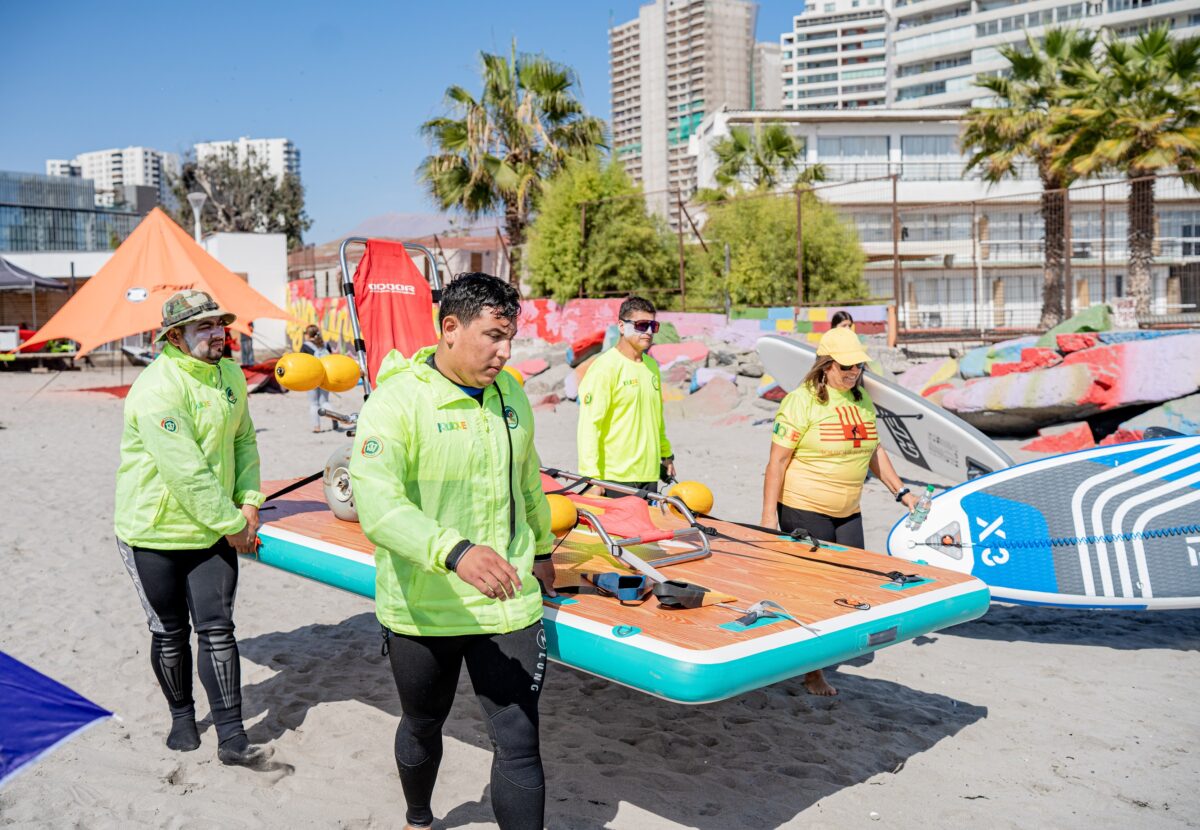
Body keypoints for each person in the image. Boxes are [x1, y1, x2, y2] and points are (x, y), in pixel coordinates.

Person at [349, 273, 555, 830]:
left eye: (510, 337)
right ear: (450, 328)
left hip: (506, 600)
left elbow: (527, 478)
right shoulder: (396, 401)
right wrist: (454, 552)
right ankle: (419, 817)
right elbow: (378, 504)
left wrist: (540, 546)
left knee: (517, 738)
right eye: (492, 336)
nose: (504, 351)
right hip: (425, 603)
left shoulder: (510, 392)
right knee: (423, 723)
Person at [114, 290, 272, 767]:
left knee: (218, 630)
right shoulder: (156, 388)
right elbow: (185, 473)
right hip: (153, 533)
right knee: (169, 633)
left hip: (211, 533)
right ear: (175, 336)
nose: (216, 333)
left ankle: (231, 735)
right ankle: (182, 717)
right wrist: (233, 524)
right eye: (203, 327)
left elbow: (243, 440)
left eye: (219, 324)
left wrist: (249, 502)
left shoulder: (229, 375)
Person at [760, 327, 918, 697]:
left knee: (851, 586)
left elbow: (876, 452)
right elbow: (777, 463)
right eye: (846, 367)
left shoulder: (862, 400)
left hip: (848, 508)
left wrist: (902, 492)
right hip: (804, 507)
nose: (853, 373)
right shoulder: (801, 401)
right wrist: (768, 517)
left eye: (858, 366)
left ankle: (813, 655)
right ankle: (812, 671)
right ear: (826, 365)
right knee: (814, 591)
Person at [576, 296, 675, 494]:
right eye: (641, 325)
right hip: (614, 478)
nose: (648, 332)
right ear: (621, 326)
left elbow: (657, 418)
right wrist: (592, 479)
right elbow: (589, 426)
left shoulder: (652, 366)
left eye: (652, 326)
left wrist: (666, 455)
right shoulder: (605, 367)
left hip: (648, 476)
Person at [300, 325, 336, 433]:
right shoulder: (325, 344)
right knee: (325, 401)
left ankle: (317, 427)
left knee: (314, 403)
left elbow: (301, 363)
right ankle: (335, 417)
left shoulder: (305, 346)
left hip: (312, 378)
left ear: (308, 334)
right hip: (325, 376)